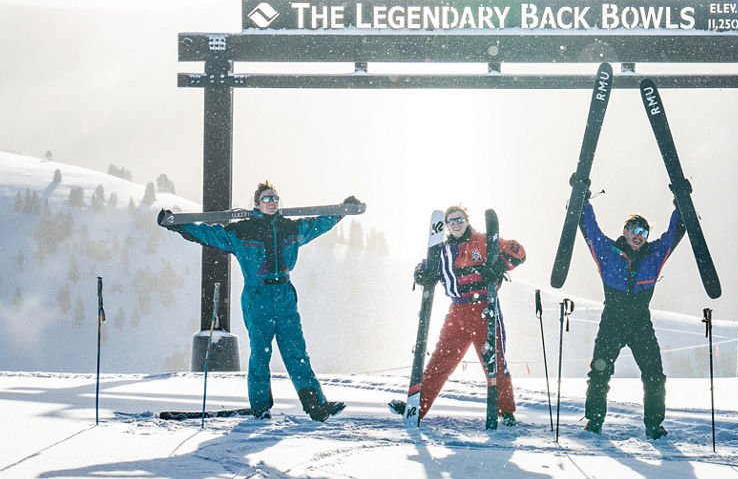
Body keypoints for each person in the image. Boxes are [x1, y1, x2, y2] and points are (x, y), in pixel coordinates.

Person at [158, 181, 360, 421]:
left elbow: (318, 224)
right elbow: (208, 234)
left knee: (297, 352)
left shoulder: (290, 228)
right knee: (260, 353)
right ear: (256, 204)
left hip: (285, 295)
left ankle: (315, 405)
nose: (272, 201)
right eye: (266, 198)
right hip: (258, 296)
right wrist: (176, 225)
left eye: (275, 197)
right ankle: (261, 405)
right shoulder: (241, 231)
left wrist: (342, 211)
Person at [389, 204, 526, 424]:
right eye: (451, 221)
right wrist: (421, 274)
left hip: (485, 308)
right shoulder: (442, 251)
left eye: (459, 219)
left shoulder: (483, 240)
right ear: (446, 226)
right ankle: (417, 407)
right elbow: (424, 267)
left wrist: (499, 266)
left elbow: (518, 251)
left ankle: (506, 411)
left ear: (467, 220)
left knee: (495, 361)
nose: (456, 224)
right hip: (458, 311)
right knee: (440, 361)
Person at [579, 193, 686, 439]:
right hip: (612, 322)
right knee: (599, 373)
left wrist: (681, 206)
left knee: (655, 375)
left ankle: (654, 426)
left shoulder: (655, 254)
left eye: (644, 232)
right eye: (635, 230)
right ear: (625, 231)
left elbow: (674, 235)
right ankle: (594, 422)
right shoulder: (607, 251)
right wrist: (583, 201)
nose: (640, 235)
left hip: (640, 323)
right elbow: (590, 230)